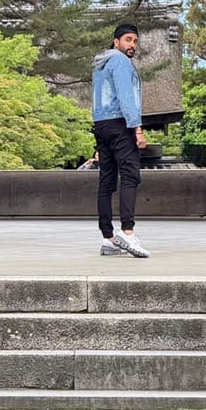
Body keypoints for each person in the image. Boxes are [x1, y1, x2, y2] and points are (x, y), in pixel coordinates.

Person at [91, 23, 150, 257]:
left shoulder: (100, 65)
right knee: (130, 176)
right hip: (120, 125)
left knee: (106, 182)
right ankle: (127, 232)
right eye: (128, 40)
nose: (132, 45)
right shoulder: (120, 62)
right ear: (116, 42)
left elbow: (97, 98)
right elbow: (127, 97)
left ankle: (108, 239)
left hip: (101, 125)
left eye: (135, 41)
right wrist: (137, 129)